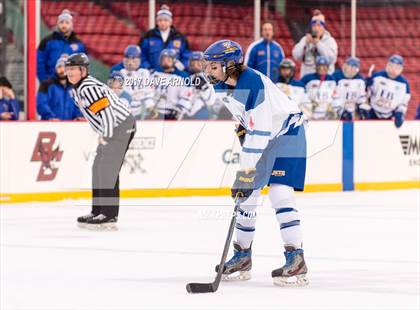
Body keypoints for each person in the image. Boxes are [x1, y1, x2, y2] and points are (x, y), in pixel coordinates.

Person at [204, 40, 308, 286]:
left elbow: (260, 133)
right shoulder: (222, 86)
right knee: (247, 197)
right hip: (266, 134)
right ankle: (242, 255)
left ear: (230, 65)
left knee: (280, 193)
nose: (208, 71)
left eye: (213, 66)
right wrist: (242, 128)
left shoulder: (253, 84)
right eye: (207, 66)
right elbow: (248, 122)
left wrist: (244, 173)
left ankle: (296, 258)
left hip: (288, 133)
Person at [65, 53, 136, 230]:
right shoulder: (79, 88)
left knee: (107, 170)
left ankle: (109, 214)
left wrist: (106, 135)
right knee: (98, 168)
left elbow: (107, 114)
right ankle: (98, 210)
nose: (69, 73)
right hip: (113, 127)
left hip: (119, 126)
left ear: (83, 71)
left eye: (73, 69)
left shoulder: (88, 88)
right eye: (68, 69)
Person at [37, 9, 87, 82]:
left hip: (72, 85)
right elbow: (39, 62)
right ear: (57, 24)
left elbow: (84, 64)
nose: (64, 25)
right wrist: (44, 81)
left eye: (67, 22)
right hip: (51, 83)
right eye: (61, 22)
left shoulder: (79, 44)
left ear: (71, 24)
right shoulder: (47, 41)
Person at [363, 55, 411, 128]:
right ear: (387, 65)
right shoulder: (377, 77)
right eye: (391, 66)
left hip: (391, 115)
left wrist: (400, 113)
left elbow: (404, 103)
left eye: (397, 67)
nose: (393, 69)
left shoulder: (404, 84)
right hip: (373, 111)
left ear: (401, 69)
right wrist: (366, 86)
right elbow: (367, 95)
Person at [139, 5, 191, 72]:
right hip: (153, 74)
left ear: (170, 22)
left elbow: (186, 55)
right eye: (160, 20)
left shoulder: (179, 37)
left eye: (166, 20)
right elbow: (142, 54)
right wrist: (148, 68)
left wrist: (181, 68)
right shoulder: (148, 36)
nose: (163, 22)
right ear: (157, 22)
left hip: (174, 74)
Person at [110, 45, 154, 119]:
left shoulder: (144, 71)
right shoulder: (117, 71)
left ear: (139, 59)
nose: (130, 62)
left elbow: (148, 91)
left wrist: (150, 106)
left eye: (134, 59)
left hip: (140, 109)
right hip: (123, 109)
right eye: (128, 58)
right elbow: (114, 92)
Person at [292, 10, 337, 78]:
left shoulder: (330, 41)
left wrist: (318, 43)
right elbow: (296, 56)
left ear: (323, 27)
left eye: (319, 26)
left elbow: (331, 58)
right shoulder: (305, 39)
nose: (316, 28)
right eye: (314, 26)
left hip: (325, 81)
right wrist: (304, 43)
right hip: (307, 79)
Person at [151, 49, 191, 120]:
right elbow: (148, 91)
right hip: (154, 112)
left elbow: (186, 98)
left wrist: (177, 111)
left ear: (174, 61)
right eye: (163, 59)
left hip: (171, 113)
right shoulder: (154, 73)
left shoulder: (182, 77)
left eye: (168, 59)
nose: (165, 61)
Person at [300, 55, 338, 120]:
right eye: (319, 66)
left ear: (328, 67)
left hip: (326, 112)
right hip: (311, 111)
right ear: (315, 67)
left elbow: (334, 95)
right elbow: (301, 93)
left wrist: (332, 106)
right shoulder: (307, 78)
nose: (321, 68)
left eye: (324, 66)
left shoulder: (332, 79)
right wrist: (308, 102)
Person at [186, 51, 215, 119]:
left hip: (201, 112)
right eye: (193, 63)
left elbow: (211, 101)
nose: (195, 66)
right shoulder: (185, 77)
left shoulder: (209, 77)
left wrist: (204, 87)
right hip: (185, 111)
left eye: (198, 63)